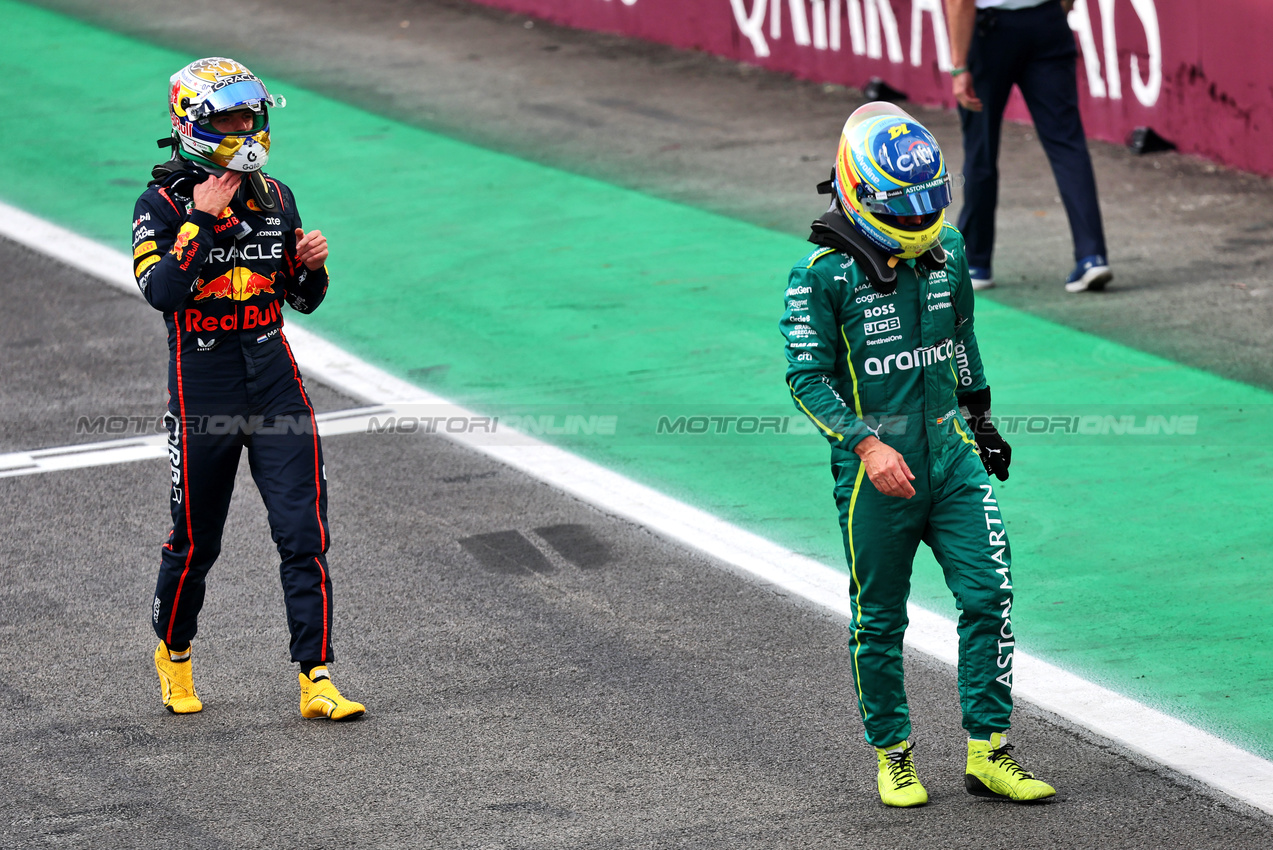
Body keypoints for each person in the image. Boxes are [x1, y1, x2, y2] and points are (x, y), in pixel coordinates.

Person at [780, 102, 1055, 806]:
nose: (915, 222)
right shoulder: (818, 276)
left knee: (989, 593)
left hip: (952, 454)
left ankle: (989, 752)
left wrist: (981, 416)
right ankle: (893, 755)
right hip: (878, 472)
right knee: (879, 618)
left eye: (924, 206)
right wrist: (866, 445)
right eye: (900, 210)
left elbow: (961, 338)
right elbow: (806, 380)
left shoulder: (951, 251)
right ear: (859, 190)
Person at [133, 57, 364, 721]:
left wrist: (312, 270)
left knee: (303, 532)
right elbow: (161, 292)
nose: (244, 127)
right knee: (194, 542)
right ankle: (174, 653)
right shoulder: (160, 205)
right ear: (195, 124)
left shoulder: (276, 196)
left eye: (249, 115)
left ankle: (315, 678)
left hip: (273, 379)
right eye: (230, 117)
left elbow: (300, 298)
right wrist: (201, 222)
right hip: (201, 386)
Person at [946, 0, 1112, 293]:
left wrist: (959, 67)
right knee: (1067, 143)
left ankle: (976, 262)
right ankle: (1092, 256)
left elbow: (960, 2)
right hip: (1046, 21)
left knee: (980, 148)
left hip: (990, 32)